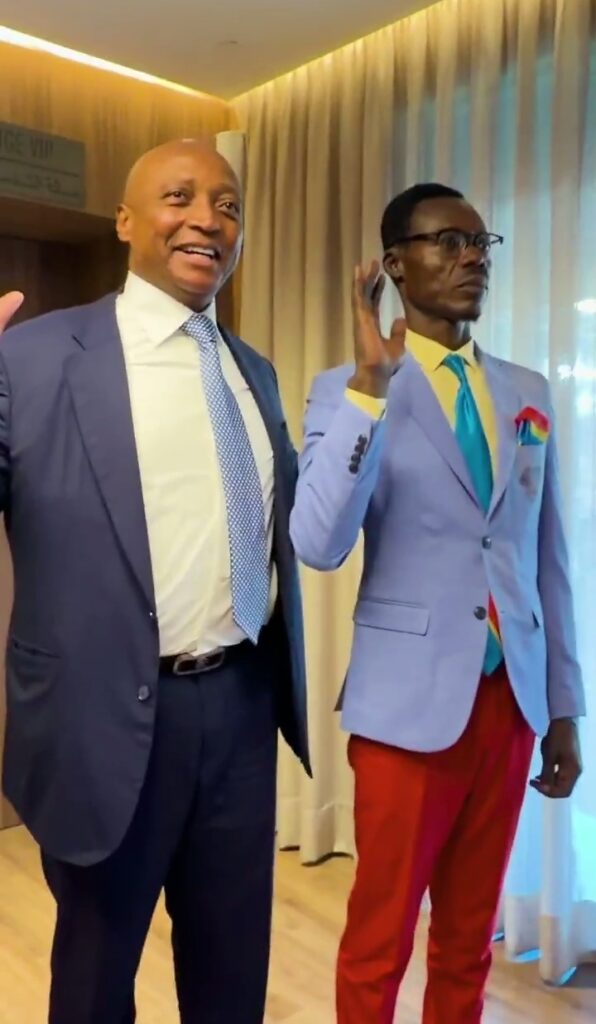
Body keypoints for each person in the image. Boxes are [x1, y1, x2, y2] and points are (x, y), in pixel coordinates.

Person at [0, 139, 310, 1024]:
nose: (207, 218)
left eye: (228, 204)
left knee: (231, 975)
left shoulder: (253, 371)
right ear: (126, 220)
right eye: (179, 197)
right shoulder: (34, 357)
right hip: (102, 719)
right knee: (95, 983)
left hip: (241, 707)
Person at [289, 182, 584, 1024]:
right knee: (379, 938)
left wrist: (564, 709)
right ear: (394, 264)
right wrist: (370, 391)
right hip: (406, 712)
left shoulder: (527, 390)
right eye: (448, 242)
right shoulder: (346, 390)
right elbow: (317, 542)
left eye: (480, 243)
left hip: (510, 702)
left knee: (470, 936)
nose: (471, 258)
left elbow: (546, 561)